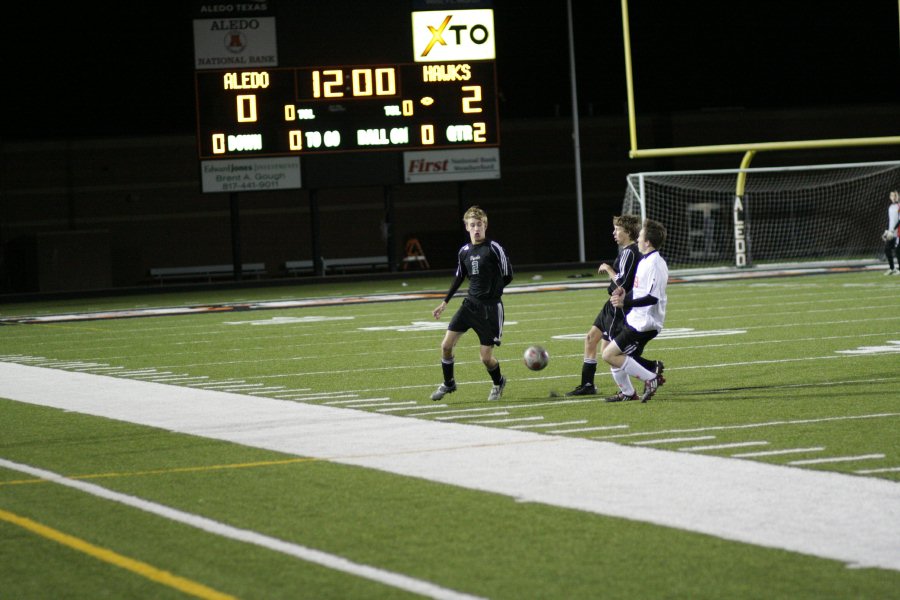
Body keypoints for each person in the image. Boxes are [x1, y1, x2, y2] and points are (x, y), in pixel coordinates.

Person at [431, 205, 514, 402]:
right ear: (467, 228)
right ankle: (449, 383)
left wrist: (493, 293)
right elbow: (460, 276)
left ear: (485, 225)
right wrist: (445, 302)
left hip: (490, 309)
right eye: (472, 225)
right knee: (446, 346)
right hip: (469, 305)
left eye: (479, 224)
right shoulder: (464, 251)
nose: (476, 228)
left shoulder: (494, 248)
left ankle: (498, 381)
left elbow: (508, 274)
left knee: (486, 358)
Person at [566, 214, 642, 396]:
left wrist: (608, 268)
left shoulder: (630, 252)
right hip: (610, 305)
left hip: (618, 306)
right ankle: (587, 384)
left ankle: (646, 375)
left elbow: (621, 283)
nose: (614, 232)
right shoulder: (626, 252)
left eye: (618, 229)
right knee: (591, 338)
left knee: (609, 352)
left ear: (628, 232)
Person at [602, 219, 669, 402]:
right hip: (635, 319)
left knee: (609, 354)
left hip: (645, 323)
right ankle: (628, 393)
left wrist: (625, 303)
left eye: (640, 237)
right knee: (612, 353)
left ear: (647, 242)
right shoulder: (645, 260)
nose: (638, 239)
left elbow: (652, 298)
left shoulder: (655, 263)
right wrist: (624, 293)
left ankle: (651, 378)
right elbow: (639, 291)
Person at [883, 190, 899, 275]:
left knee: (897, 250)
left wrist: (893, 230)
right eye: (892, 196)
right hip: (891, 233)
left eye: (895, 196)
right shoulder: (890, 207)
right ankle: (893, 268)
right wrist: (887, 230)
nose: (893, 197)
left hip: (897, 233)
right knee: (887, 249)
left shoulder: (898, 206)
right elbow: (890, 220)